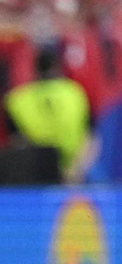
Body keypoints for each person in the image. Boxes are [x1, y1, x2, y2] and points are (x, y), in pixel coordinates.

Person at [2, 46, 98, 184]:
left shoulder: (17, 100)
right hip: (71, 170)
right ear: (58, 67)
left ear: (34, 69)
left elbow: (17, 142)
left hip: (33, 172)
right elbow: (90, 137)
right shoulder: (75, 93)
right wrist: (75, 170)